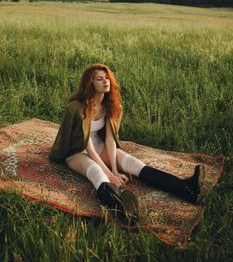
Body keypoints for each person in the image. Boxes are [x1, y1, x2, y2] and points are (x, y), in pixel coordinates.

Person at [49, 63, 205, 225]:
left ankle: (186, 188)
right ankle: (123, 209)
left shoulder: (111, 105)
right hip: (78, 151)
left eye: (107, 78)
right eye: (100, 79)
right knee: (96, 171)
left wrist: (115, 169)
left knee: (133, 163)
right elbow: (89, 149)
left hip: (99, 146)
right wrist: (110, 175)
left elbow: (110, 140)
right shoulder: (77, 108)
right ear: (90, 84)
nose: (106, 82)